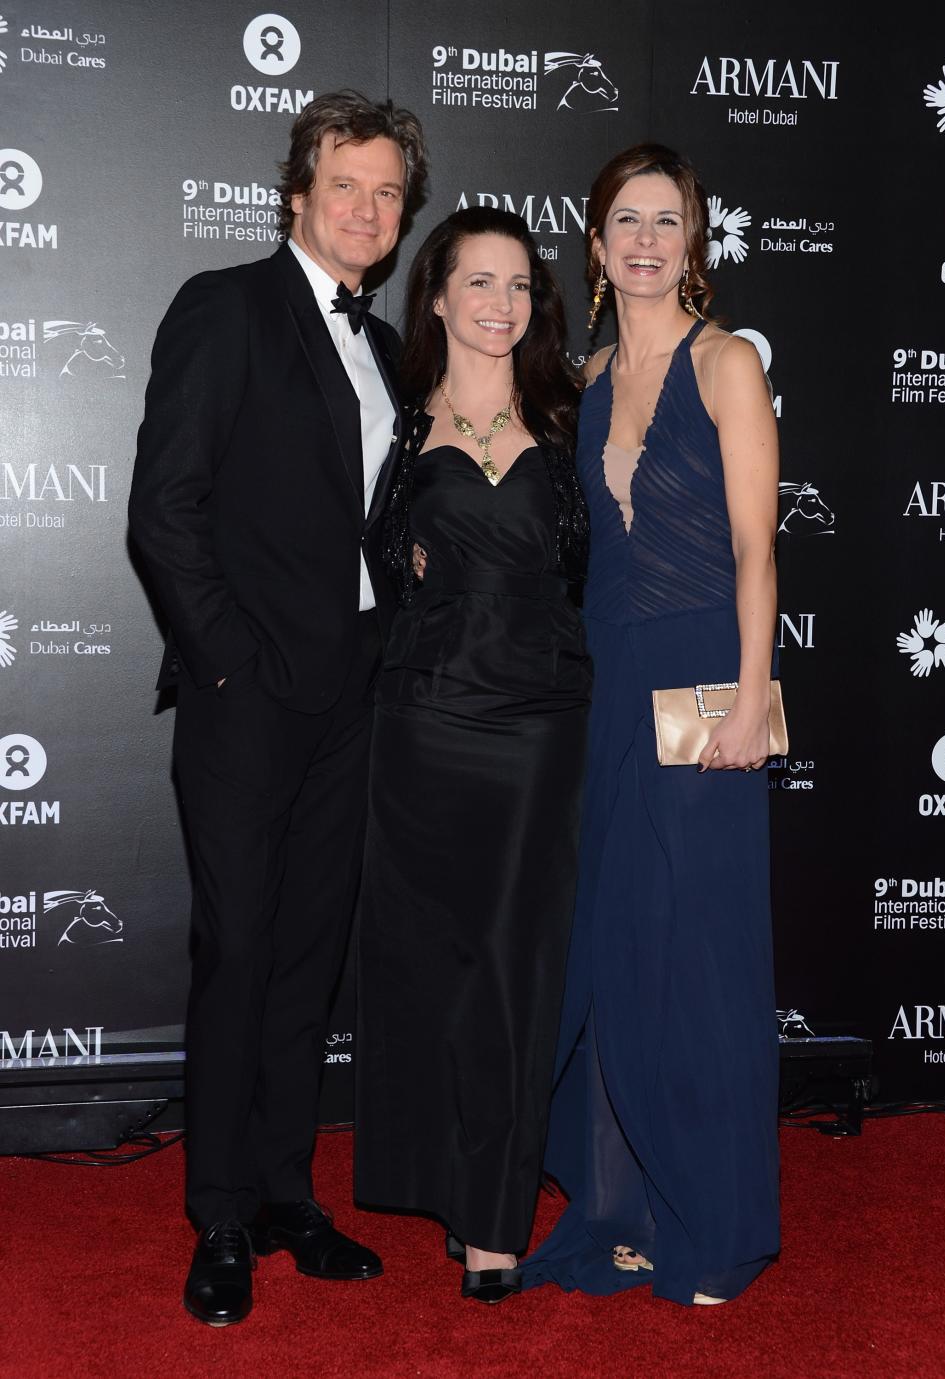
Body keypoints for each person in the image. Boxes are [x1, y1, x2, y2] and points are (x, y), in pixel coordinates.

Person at [128, 91, 427, 1326]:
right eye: (345, 184)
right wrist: (233, 664)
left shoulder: (389, 346)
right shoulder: (225, 308)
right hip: (250, 697)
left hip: (355, 691)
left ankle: (291, 1190)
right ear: (296, 191)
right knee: (241, 951)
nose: (367, 209)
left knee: (311, 956)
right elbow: (165, 512)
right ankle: (221, 1215)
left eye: (389, 193)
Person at [521, 144, 781, 1306]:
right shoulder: (580, 377)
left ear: (695, 241)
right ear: (594, 239)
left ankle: (714, 1220)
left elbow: (756, 554)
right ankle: (622, 1203)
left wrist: (749, 700)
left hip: (701, 677)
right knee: (617, 946)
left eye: (665, 220)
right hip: (608, 682)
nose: (643, 239)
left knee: (705, 954)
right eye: (624, 219)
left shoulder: (727, 364)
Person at [354, 207, 591, 1305]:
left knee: (513, 964)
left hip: (537, 727)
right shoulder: (396, 432)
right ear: (437, 297)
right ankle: (448, 1187)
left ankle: (496, 1218)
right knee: (433, 963)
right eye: (477, 282)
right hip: (425, 723)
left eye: (518, 285)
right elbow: (384, 576)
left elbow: (588, 567)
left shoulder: (568, 417)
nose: (500, 304)